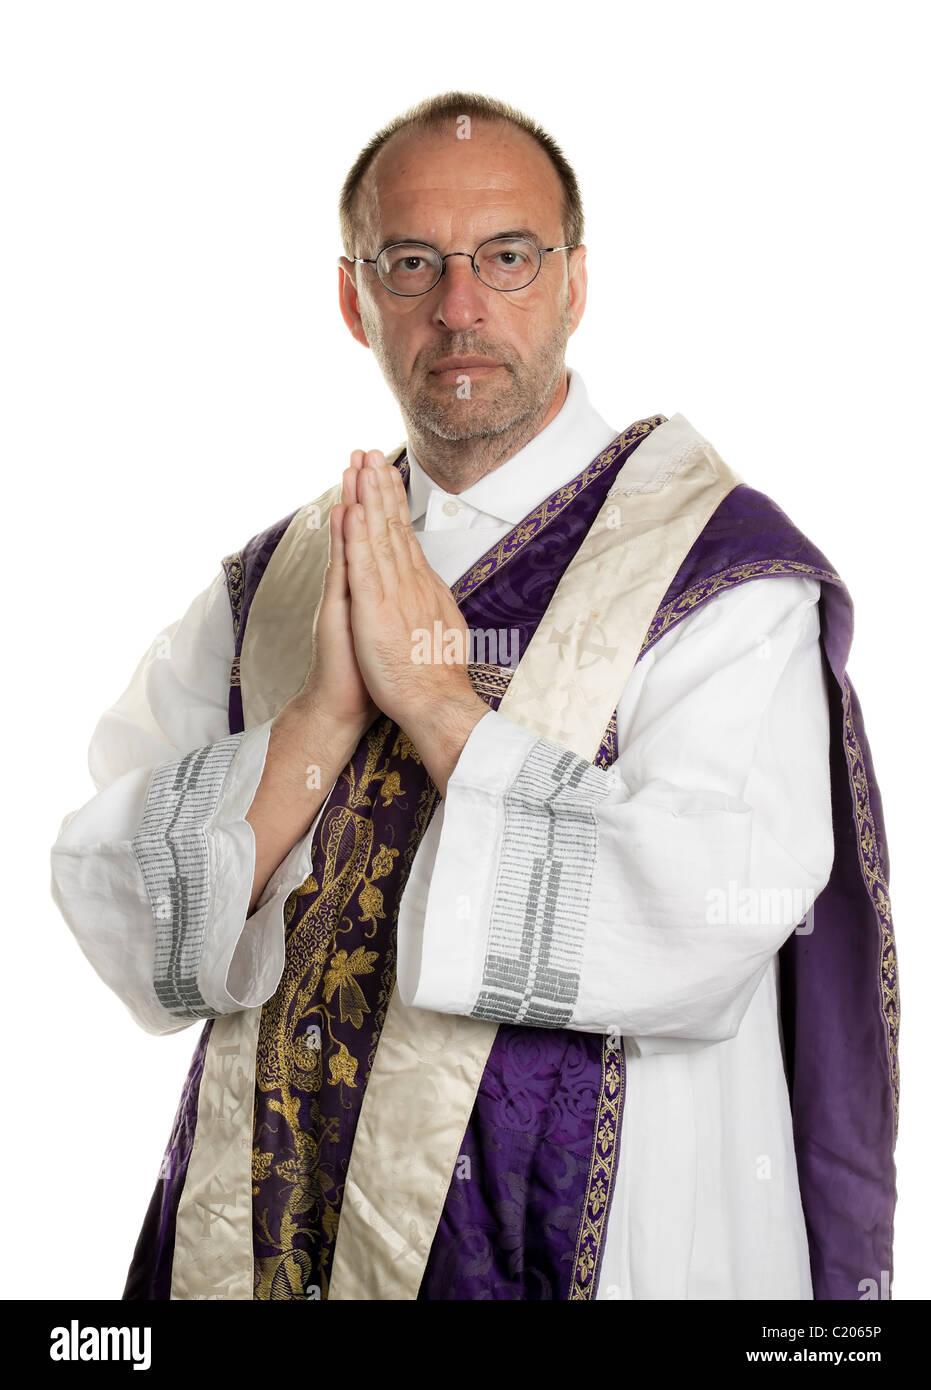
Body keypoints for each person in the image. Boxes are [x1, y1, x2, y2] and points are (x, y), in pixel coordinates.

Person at [49, 90, 898, 1302]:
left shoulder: (714, 574)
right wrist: (316, 728)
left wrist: (444, 713)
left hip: (602, 1239)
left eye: (506, 256)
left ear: (573, 281)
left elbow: (716, 909)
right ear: (353, 297)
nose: (460, 307)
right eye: (411, 263)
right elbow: (113, 905)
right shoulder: (283, 580)